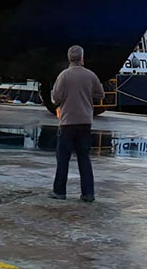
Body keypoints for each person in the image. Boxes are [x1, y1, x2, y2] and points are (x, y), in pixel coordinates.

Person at [49, 45, 105, 202]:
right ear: (82, 58)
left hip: (67, 122)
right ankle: (88, 194)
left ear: (69, 58)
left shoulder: (64, 76)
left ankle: (59, 192)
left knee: (63, 158)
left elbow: (56, 98)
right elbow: (100, 95)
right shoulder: (91, 75)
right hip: (85, 123)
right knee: (84, 158)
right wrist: (87, 97)